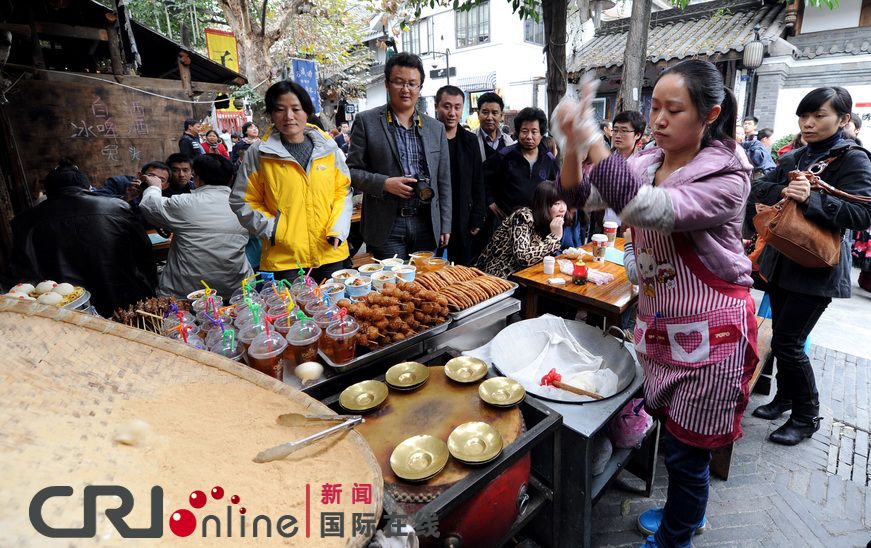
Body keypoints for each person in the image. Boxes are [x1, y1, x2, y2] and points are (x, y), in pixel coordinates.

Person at [555, 59, 757, 547]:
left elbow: (641, 208)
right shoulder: (649, 161)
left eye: (674, 109)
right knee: (677, 440)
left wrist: (595, 139)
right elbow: (578, 194)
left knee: (688, 457)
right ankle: (683, 516)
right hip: (665, 324)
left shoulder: (727, 178)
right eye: (655, 108)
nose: (659, 119)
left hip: (713, 337)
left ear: (710, 115)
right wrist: (570, 143)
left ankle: (676, 536)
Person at [751, 87, 871, 445]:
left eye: (819, 116)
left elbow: (863, 214)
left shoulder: (854, 160)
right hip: (782, 260)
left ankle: (806, 417)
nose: (808, 123)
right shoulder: (795, 156)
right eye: (804, 116)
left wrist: (814, 199)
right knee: (782, 337)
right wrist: (784, 192)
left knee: (789, 343)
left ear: (843, 119)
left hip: (817, 269)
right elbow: (761, 189)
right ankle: (784, 399)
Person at [230, 80, 353, 282]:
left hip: (331, 252)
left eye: (296, 109)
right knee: (292, 313)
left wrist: (338, 229)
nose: (288, 117)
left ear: (307, 111)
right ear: (271, 114)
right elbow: (242, 200)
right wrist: (275, 230)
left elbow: (343, 192)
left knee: (334, 312)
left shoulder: (329, 149)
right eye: (280, 110)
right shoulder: (259, 153)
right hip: (285, 259)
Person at [10, 160, 156, 315]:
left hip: (66, 305)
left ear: (48, 191)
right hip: (123, 298)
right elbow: (144, 252)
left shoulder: (24, 221)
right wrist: (150, 287)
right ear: (88, 188)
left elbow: (23, 270)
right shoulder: (116, 207)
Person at [346, 52, 451, 260]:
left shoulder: (435, 128)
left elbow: (444, 180)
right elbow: (350, 171)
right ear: (387, 84)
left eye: (412, 84)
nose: (406, 89)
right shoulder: (367, 122)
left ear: (420, 88)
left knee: (424, 284)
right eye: (399, 82)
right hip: (387, 224)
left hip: (426, 221)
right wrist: (384, 183)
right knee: (392, 286)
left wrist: (445, 223)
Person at [140, 154, 252, 299]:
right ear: (231, 179)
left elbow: (149, 206)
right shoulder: (245, 206)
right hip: (236, 288)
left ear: (196, 178)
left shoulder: (184, 203)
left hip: (186, 292)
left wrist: (155, 187)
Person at [435, 85, 486, 265]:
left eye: (457, 107)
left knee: (462, 267)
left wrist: (478, 216)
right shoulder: (429, 139)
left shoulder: (469, 140)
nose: (452, 112)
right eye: (447, 106)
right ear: (436, 106)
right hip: (435, 214)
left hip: (463, 214)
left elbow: (478, 181)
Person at [483, 107, 559, 221]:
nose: (529, 137)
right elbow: (482, 176)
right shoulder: (504, 156)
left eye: (534, 132)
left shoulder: (549, 160)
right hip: (509, 224)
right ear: (518, 132)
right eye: (524, 131)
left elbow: (558, 187)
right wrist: (490, 200)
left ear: (541, 134)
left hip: (540, 224)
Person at [477, 180, 565, 278]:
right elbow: (523, 258)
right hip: (497, 277)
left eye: (564, 203)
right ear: (543, 204)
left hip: (526, 277)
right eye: (557, 203)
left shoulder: (552, 222)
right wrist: (554, 238)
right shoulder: (523, 217)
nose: (562, 209)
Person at [475, 92, 515, 161]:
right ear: (478, 114)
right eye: (485, 112)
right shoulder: (469, 140)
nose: (489, 118)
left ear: (501, 116)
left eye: (494, 113)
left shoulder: (508, 142)